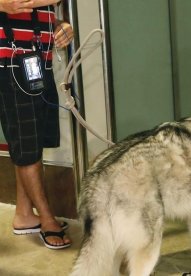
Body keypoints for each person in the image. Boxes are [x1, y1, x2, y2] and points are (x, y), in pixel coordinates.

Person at [0, 0, 74, 249]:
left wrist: (61, 26)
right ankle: (46, 218)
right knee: (27, 145)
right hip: (9, 62)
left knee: (32, 139)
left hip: (38, 60)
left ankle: (24, 215)